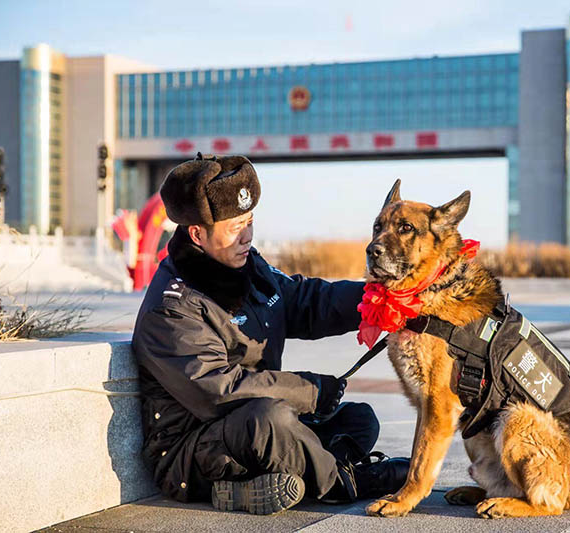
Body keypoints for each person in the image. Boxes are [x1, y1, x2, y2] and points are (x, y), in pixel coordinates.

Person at [132, 153, 408, 515]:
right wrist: (308, 391)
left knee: (358, 419)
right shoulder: (173, 307)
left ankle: (257, 484)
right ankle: (345, 481)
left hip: (252, 424)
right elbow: (219, 391)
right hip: (191, 451)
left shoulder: (246, 264)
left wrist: (374, 298)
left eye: (250, 222)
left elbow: (302, 301)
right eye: (235, 228)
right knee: (271, 420)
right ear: (197, 234)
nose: (246, 236)